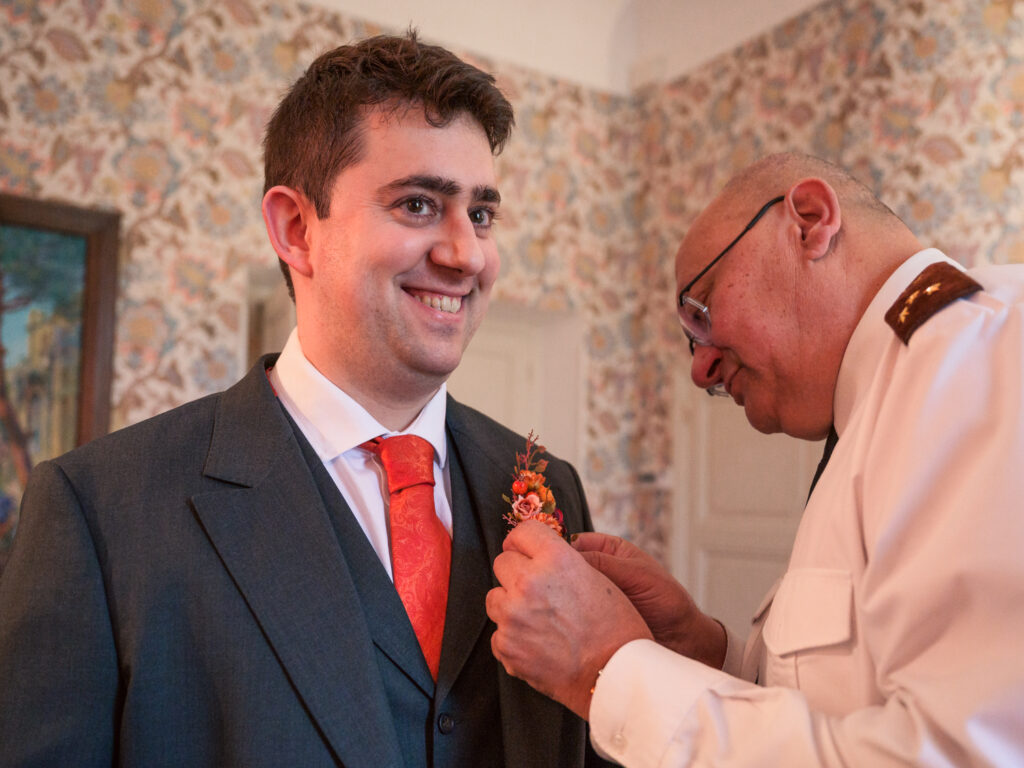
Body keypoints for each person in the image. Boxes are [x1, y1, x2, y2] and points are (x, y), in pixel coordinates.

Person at [0, 33, 607, 768]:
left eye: (480, 214)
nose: (466, 254)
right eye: (419, 204)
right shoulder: (98, 510)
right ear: (296, 229)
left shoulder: (546, 487)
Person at [486, 152, 1024, 766]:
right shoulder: (891, 397)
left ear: (809, 222)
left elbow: (960, 753)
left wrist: (606, 667)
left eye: (702, 306)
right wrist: (705, 650)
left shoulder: (978, 363)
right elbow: (850, 695)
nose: (699, 368)